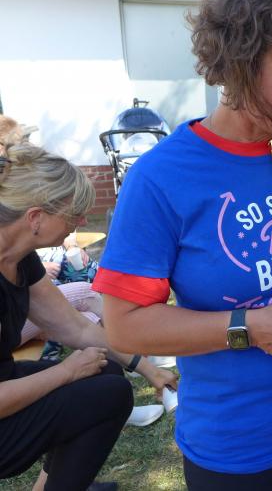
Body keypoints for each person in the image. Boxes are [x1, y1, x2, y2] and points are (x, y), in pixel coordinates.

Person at [92, 0, 272, 489]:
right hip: (239, 443)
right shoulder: (162, 178)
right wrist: (250, 328)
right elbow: (124, 325)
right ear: (239, 65)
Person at [0, 138, 177, 490]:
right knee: (108, 394)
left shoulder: (19, 258)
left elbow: (75, 328)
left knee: (104, 369)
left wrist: (148, 369)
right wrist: (66, 371)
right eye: (73, 214)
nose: (81, 220)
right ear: (35, 218)